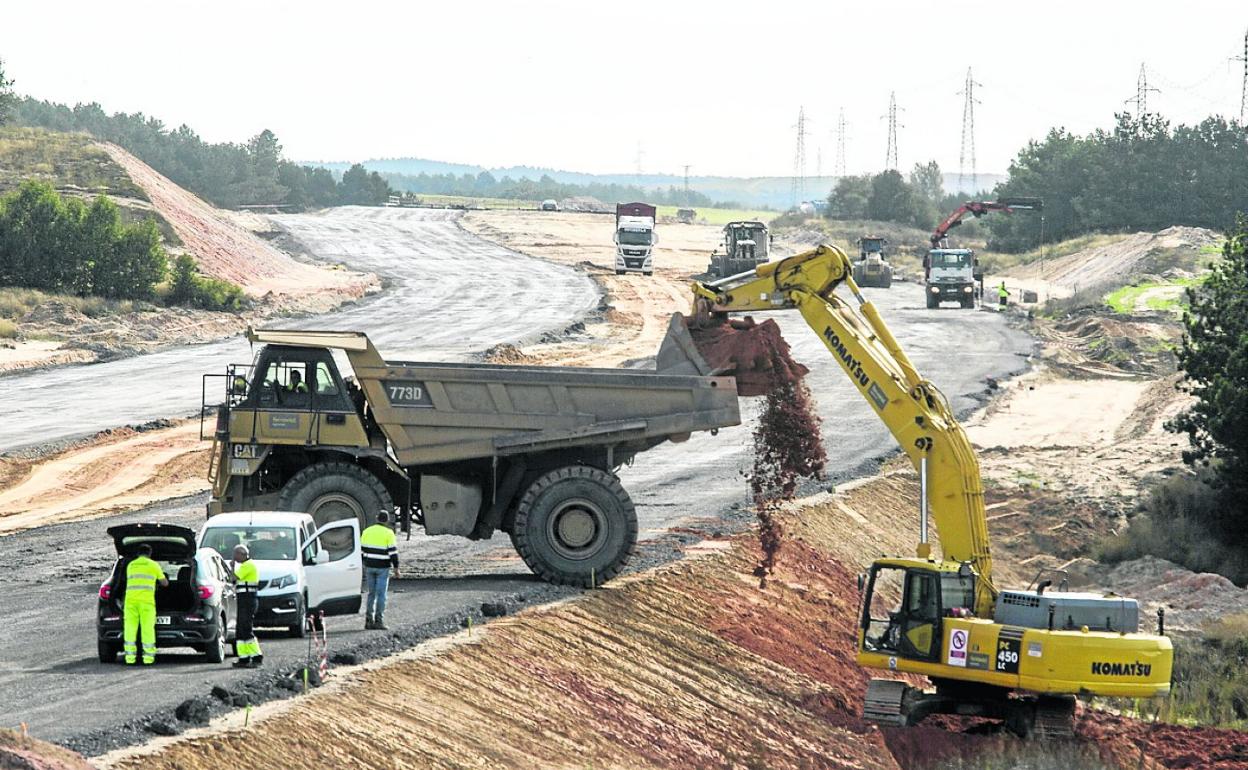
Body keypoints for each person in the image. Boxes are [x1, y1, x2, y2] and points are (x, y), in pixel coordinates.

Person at [124, 543, 168, 665]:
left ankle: (130, 658)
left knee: (130, 629)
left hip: (130, 602)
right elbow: (164, 583)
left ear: (138, 553)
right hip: (146, 603)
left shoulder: (131, 565)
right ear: (150, 554)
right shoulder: (154, 565)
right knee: (147, 629)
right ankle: (148, 658)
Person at [361, 512, 399, 630]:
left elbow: (362, 550)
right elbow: (393, 552)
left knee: (371, 594)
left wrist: (364, 563)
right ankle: (379, 621)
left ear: (376, 518)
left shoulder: (367, 531)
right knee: (381, 594)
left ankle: (368, 621)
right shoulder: (389, 533)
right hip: (383, 568)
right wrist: (396, 568)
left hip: (370, 566)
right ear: (387, 520)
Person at [232, 544, 263, 668]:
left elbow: (234, 578)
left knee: (246, 627)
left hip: (248, 600)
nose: (234, 557)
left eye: (236, 554)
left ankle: (256, 656)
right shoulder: (245, 566)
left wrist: (232, 567)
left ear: (242, 554)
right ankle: (243, 657)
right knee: (240, 629)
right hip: (243, 599)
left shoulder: (248, 565)